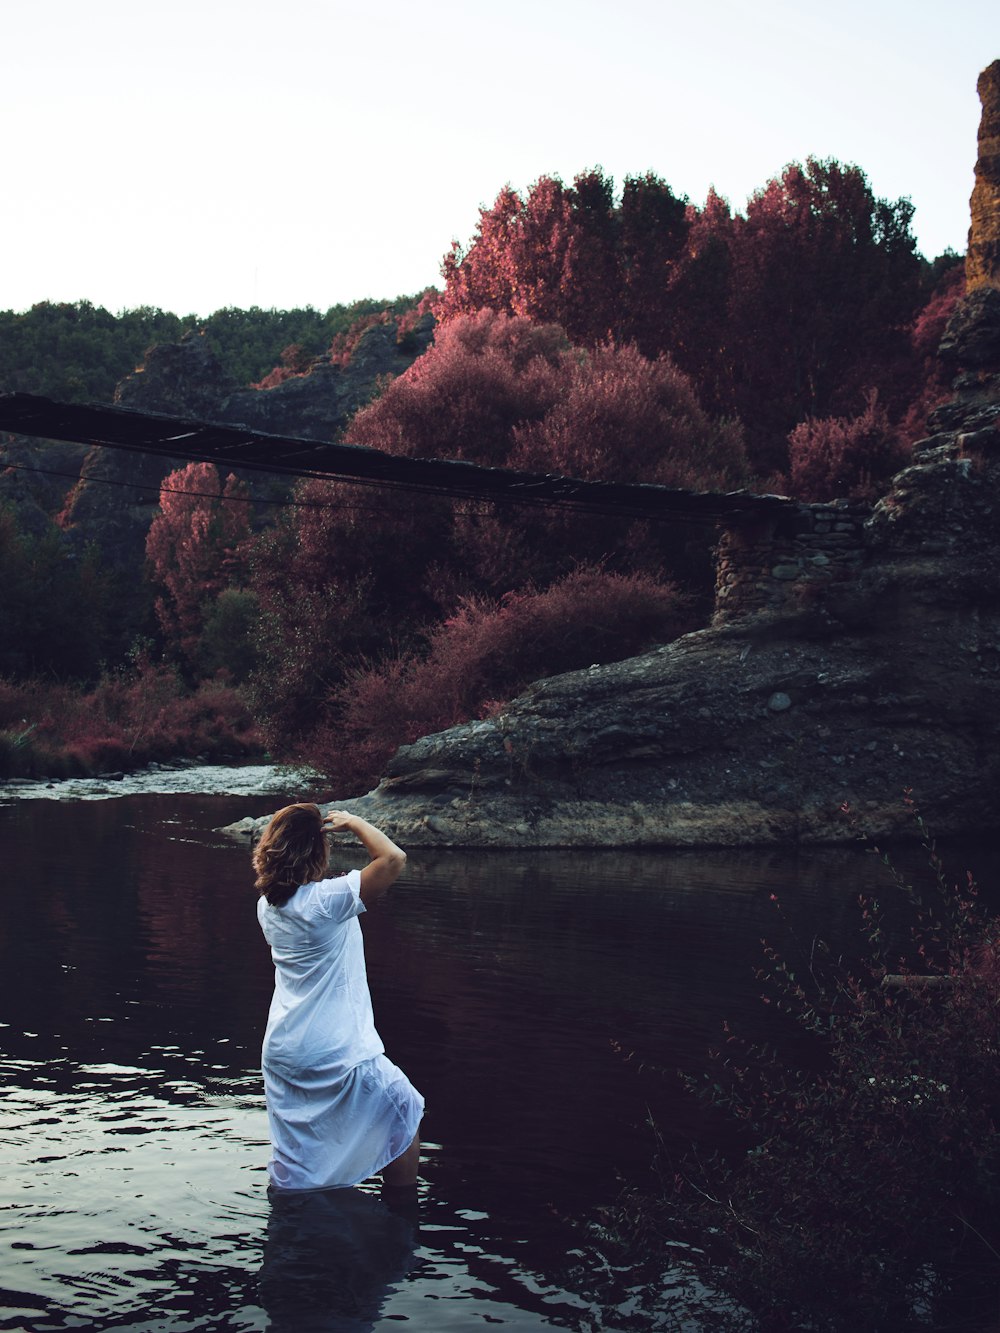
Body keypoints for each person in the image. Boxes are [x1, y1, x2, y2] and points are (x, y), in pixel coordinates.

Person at [253, 803, 423, 1192]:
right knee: (404, 1110)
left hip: (283, 1047)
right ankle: (402, 1220)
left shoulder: (268, 906)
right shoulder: (327, 901)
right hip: (334, 1047)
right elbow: (393, 858)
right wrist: (355, 821)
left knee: (296, 1154)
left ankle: (292, 1215)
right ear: (318, 851)